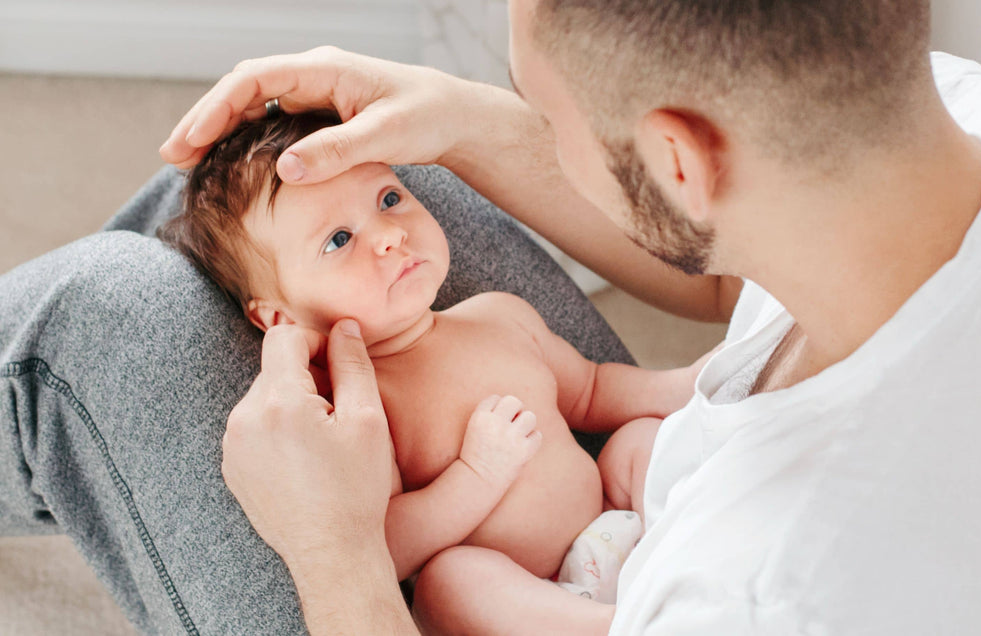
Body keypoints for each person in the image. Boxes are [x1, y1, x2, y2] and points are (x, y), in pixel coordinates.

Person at [157, 0, 981, 634]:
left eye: (543, 110)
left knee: (113, 299)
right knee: (220, 206)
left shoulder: (764, 598)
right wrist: (458, 117)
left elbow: (402, 543)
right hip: (633, 516)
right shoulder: (961, 114)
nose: (398, 223)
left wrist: (329, 549)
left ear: (679, 162)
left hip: (576, 594)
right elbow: (721, 289)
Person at [161, 110, 707, 604]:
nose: (389, 236)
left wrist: (689, 383)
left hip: (616, 527)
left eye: (389, 199)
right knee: (453, 583)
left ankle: (702, 552)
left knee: (640, 441)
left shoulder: (500, 315)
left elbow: (591, 390)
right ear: (278, 320)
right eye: (339, 239)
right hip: (526, 598)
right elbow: (383, 549)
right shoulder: (354, 409)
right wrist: (475, 475)